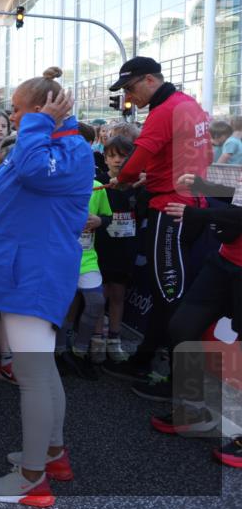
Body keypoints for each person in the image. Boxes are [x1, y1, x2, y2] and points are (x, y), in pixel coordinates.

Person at [0, 67, 93, 507]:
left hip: (31, 274)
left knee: (32, 375)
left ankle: (32, 478)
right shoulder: (49, 146)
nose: (12, 116)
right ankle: (51, 454)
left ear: (40, 109)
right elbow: (19, 196)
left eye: (18, 109)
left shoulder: (63, 148)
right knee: (42, 370)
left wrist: (37, 123)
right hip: (25, 271)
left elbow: (35, 175)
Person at [107, 57, 212, 387]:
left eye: (130, 88)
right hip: (193, 205)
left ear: (150, 80)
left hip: (171, 210)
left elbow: (130, 165)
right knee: (166, 292)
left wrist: (127, 178)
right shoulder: (189, 104)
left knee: (169, 295)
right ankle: (143, 360)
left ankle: (181, 383)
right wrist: (152, 177)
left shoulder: (163, 111)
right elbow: (201, 157)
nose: (128, 96)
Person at [148, 171, 241, 468]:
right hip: (225, 261)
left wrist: (199, 214)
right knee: (182, 327)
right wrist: (202, 184)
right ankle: (192, 410)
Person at [55, 123, 112, 381]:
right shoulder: (54, 184)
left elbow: (108, 217)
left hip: (87, 257)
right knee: (63, 305)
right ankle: (59, 352)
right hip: (59, 257)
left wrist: (100, 221)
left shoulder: (97, 186)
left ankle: (79, 350)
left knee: (96, 302)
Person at [94, 135, 139, 365]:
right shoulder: (98, 183)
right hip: (101, 246)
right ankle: (97, 339)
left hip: (125, 248)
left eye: (123, 155)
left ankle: (114, 338)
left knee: (118, 295)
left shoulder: (137, 185)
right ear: (105, 158)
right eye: (112, 155)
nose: (117, 160)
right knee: (99, 296)